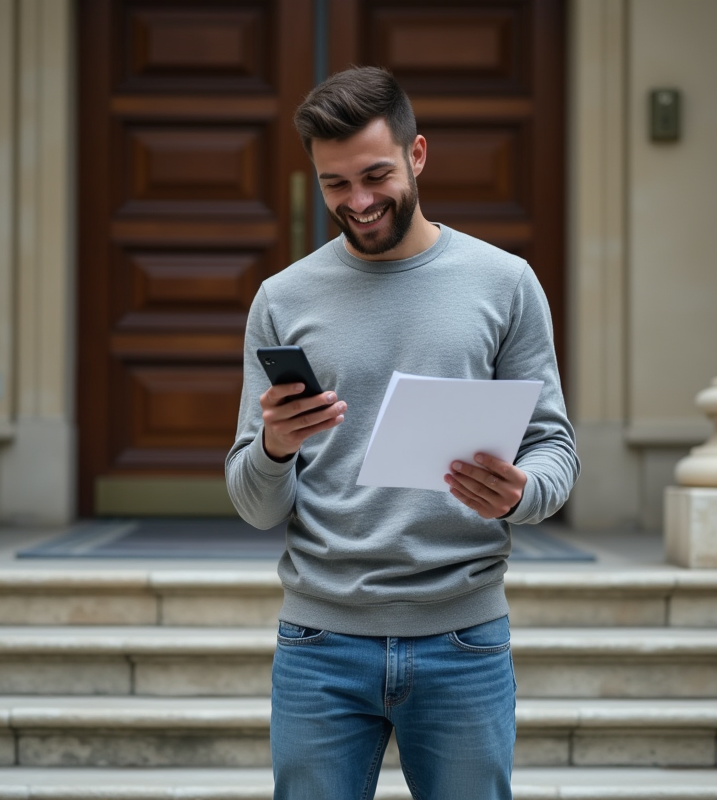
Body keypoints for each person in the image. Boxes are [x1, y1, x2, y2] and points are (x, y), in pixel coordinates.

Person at [226, 66, 579, 800]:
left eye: (375, 176)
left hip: (464, 638)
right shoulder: (282, 299)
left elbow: (554, 449)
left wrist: (521, 493)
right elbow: (256, 507)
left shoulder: (505, 283)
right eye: (335, 184)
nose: (357, 202)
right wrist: (275, 449)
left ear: (417, 154)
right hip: (319, 644)